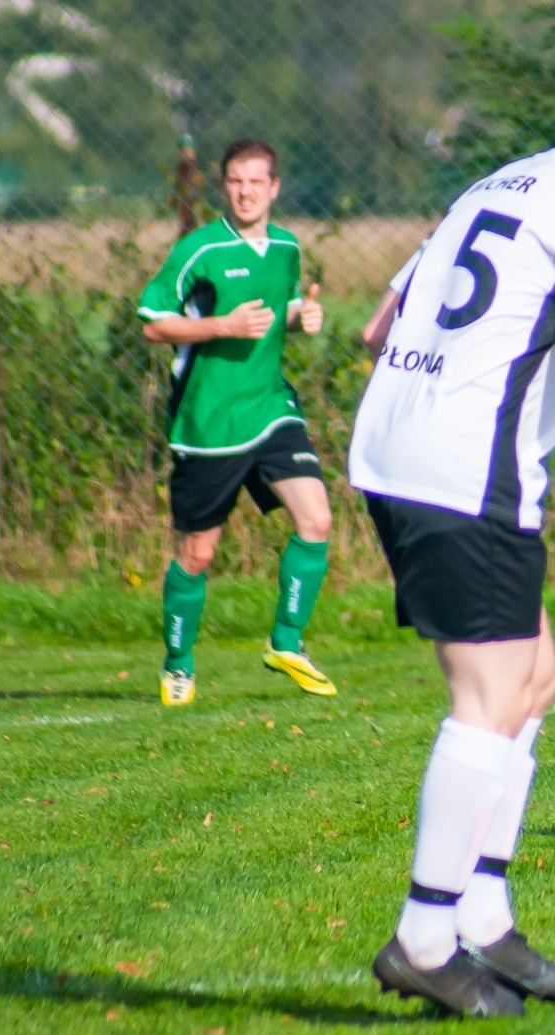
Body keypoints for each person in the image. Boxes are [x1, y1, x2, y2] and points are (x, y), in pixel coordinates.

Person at [348, 24, 555, 1018]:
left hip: (404, 446)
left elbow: (382, 320)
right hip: (462, 469)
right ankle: (423, 933)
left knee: (532, 676)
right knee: (489, 697)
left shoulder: (502, 184)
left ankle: (484, 920)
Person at [137, 139, 337, 707]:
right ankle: (178, 663)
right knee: (197, 554)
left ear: (274, 187)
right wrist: (222, 327)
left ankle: (287, 642)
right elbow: (154, 324)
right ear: (224, 187)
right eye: (235, 181)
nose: (245, 191)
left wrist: (302, 316)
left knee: (316, 517)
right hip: (208, 424)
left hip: (271, 408)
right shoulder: (199, 251)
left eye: (256, 182)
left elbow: (280, 310)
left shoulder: (287, 248)